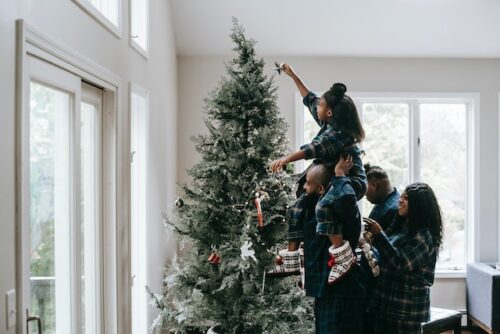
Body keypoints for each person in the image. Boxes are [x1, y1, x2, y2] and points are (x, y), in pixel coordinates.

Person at [269, 63, 366, 284]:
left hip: (351, 179)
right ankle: (291, 262)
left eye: (322, 105)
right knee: (296, 208)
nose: (318, 106)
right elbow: (309, 99)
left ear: (329, 112)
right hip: (333, 177)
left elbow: (310, 150)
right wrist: (293, 75)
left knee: (323, 206)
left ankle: (343, 255)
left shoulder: (337, 133)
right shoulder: (328, 118)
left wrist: (285, 160)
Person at [276, 157, 367, 334]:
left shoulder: (340, 208)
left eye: (308, 184)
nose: (304, 187)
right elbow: (302, 188)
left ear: (321, 189)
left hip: (342, 293)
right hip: (323, 290)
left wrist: (340, 175)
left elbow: (347, 197)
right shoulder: (310, 209)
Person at [363, 183, 443, 334]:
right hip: (387, 304)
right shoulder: (401, 227)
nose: (400, 200)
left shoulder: (425, 235)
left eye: (406, 198)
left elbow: (401, 263)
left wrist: (379, 235)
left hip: (406, 310)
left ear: (419, 205)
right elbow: (385, 255)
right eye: (401, 197)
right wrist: (369, 241)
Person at [364, 164, 400, 230]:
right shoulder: (381, 201)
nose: (364, 194)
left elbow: (388, 240)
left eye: (364, 187)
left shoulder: (394, 210)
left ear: (374, 186)